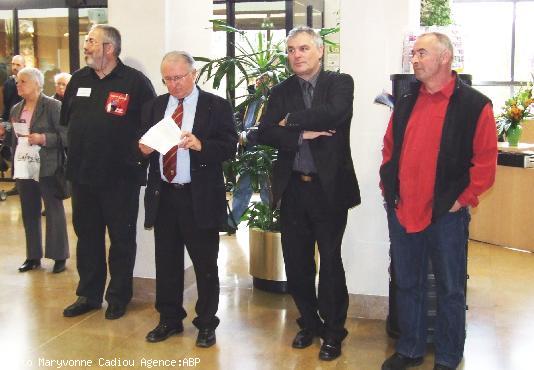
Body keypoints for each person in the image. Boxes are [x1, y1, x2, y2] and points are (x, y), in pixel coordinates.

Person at [379, 33, 497, 370]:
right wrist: (388, 188)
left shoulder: (475, 105)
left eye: (422, 53)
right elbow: (389, 149)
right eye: (413, 53)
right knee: (407, 282)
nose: (414, 60)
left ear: (445, 57)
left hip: (447, 213)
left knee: (450, 288)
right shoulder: (405, 102)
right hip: (403, 210)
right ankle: (410, 348)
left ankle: (447, 355)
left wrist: (462, 200)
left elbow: (485, 162)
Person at [257, 26, 360, 361]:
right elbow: (265, 132)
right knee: (298, 264)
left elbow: (335, 112)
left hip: (329, 190)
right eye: (290, 50)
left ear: (319, 51)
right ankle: (310, 323)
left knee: (330, 262)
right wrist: (302, 135)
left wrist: (291, 120)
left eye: (302, 48)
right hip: (293, 190)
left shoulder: (339, 83)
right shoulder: (282, 89)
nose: (296, 55)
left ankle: (333, 332)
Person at [139, 51, 237, 347]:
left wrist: (201, 145)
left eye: (179, 78)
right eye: (167, 79)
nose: (174, 85)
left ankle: (206, 322)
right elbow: (141, 147)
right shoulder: (156, 106)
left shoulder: (215, 106)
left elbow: (230, 146)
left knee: (205, 263)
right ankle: (169, 319)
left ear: (194, 74)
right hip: (165, 195)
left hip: (199, 197)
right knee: (166, 262)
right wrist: (141, 151)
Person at [61, 24, 156, 320]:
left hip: (120, 179)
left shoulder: (136, 82)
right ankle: (88, 295)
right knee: (87, 238)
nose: (86, 46)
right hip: (82, 176)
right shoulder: (78, 80)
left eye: (91, 41)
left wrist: (136, 160)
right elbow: (67, 122)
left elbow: (150, 126)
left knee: (122, 241)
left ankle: (118, 296)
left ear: (109, 48)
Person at [3, 67, 69, 273]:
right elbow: (14, 139)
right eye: (18, 82)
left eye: (23, 81)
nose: (18, 85)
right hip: (24, 166)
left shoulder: (53, 106)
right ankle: (33, 256)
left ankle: (58, 256)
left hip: (48, 167)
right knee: (28, 211)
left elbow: (66, 136)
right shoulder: (16, 109)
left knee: (53, 211)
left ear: (36, 84)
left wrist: (44, 139)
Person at [221, 73, 271, 234]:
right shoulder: (249, 100)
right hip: (246, 150)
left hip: (264, 151)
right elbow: (235, 117)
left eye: (264, 81)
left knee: (266, 187)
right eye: (258, 80)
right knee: (243, 186)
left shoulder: (271, 102)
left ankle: (268, 220)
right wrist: (238, 133)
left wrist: (247, 136)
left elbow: (266, 125)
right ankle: (232, 221)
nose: (259, 83)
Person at [2, 55, 26, 195]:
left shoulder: (29, 81)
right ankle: (17, 184)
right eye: (13, 64)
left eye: (18, 64)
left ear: (23, 65)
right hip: (11, 121)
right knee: (13, 151)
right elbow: (6, 105)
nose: (15, 66)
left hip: (25, 121)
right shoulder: (9, 84)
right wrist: (4, 123)